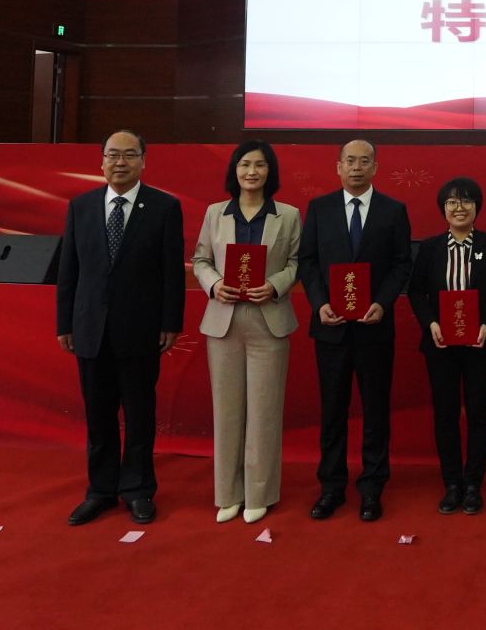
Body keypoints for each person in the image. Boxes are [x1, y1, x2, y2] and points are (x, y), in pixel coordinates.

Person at [55, 130, 184, 526]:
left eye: (129, 155)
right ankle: (100, 490)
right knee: (99, 416)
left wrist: (170, 322)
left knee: (140, 415)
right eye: (113, 155)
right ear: (101, 162)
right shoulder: (81, 206)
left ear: (144, 161)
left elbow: (172, 271)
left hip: (141, 328)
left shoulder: (164, 207)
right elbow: (69, 271)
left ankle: (138, 490)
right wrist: (65, 323)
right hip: (90, 328)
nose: (120, 162)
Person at [295, 139, 414, 522]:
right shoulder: (319, 208)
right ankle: (331, 487)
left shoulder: (393, 210)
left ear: (375, 167)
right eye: (350, 161)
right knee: (332, 411)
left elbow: (402, 264)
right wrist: (319, 303)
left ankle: (372, 487)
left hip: (374, 328)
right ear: (338, 166)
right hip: (330, 328)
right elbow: (307, 261)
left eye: (365, 161)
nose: (357, 167)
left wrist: (383, 302)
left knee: (375, 411)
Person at [190, 140, 302, 524]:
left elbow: (297, 262)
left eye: (260, 165)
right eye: (245, 164)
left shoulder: (288, 215)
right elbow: (200, 259)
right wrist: (214, 283)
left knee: (264, 411)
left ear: (270, 172)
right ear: (234, 170)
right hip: (224, 320)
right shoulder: (215, 213)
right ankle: (228, 493)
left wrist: (275, 284)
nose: (252, 172)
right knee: (227, 411)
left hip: (269, 319)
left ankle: (259, 493)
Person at [405, 176, 486, 516]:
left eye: (466, 201)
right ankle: (452, 483)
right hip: (441, 345)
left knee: (479, 414)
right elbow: (415, 291)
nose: (459, 207)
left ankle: (473, 484)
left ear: (477, 206)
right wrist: (431, 323)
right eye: (452, 202)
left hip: (481, 343)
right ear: (443, 208)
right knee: (445, 414)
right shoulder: (430, 248)